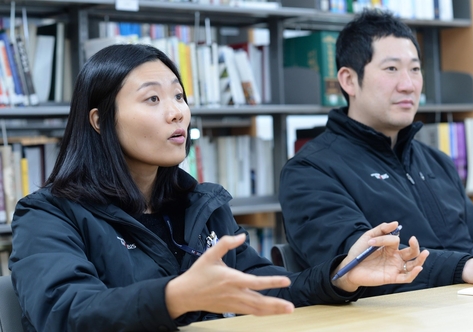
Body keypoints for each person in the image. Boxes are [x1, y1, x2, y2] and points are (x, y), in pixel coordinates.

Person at [8, 43, 428, 331]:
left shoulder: (197, 204)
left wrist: (340, 275)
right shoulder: (48, 214)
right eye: (152, 100)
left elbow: (266, 284)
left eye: (179, 96)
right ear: (100, 121)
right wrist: (175, 296)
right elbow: (67, 315)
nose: (177, 113)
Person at [279, 8, 473, 298]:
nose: (408, 85)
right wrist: (467, 268)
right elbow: (362, 264)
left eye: (415, 69)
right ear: (348, 80)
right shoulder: (310, 171)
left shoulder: (437, 161)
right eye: (391, 69)